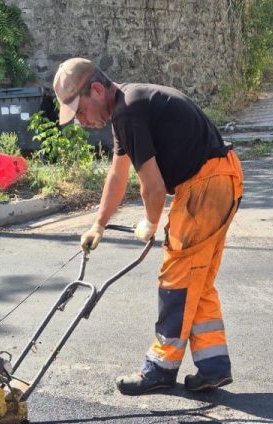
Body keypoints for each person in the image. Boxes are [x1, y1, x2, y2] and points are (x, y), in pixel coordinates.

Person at [53, 57, 243, 395]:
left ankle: (160, 368)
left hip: (205, 186)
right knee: (196, 279)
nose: (81, 121)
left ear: (96, 90)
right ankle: (213, 366)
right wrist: (98, 224)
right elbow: (118, 175)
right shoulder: (129, 105)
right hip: (222, 179)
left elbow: (152, 187)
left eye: (79, 111)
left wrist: (151, 222)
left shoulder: (128, 111)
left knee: (176, 280)